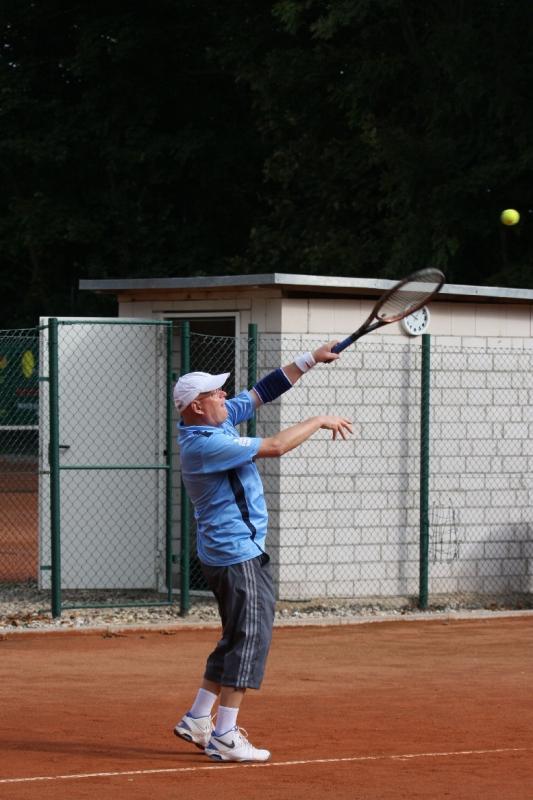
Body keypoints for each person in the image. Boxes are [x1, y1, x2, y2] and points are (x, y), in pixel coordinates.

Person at [173, 341, 352, 763]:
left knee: (236, 634)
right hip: (237, 555)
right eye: (215, 393)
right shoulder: (203, 445)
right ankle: (224, 735)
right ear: (196, 406)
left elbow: (262, 391)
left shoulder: (217, 422)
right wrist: (318, 419)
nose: (224, 395)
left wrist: (311, 359)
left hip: (227, 552)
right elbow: (274, 446)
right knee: (250, 637)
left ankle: (198, 719)